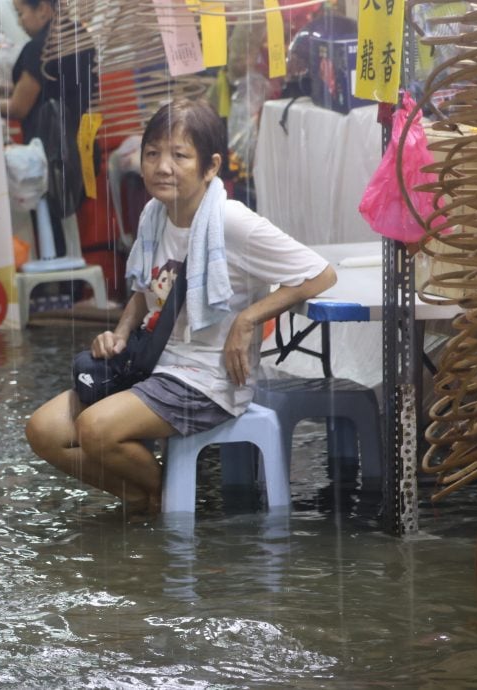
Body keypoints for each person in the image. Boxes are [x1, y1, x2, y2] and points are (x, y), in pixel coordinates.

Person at [25, 98, 337, 515]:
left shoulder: (231, 222)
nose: (162, 166)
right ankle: (145, 497)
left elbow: (320, 274)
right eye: (152, 153)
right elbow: (144, 289)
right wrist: (118, 335)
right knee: (43, 431)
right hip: (152, 363)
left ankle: (164, 495)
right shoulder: (156, 214)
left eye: (179, 155)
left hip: (208, 379)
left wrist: (247, 319)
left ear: (210, 167)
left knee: (95, 430)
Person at [2, 0, 95, 254]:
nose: (20, 21)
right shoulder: (79, 38)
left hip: (50, 154)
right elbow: (45, 86)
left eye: (21, 14)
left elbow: (19, 106)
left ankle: (55, 286)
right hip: (82, 148)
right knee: (70, 224)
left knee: (51, 224)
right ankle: (72, 287)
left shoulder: (40, 47)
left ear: (43, 9)